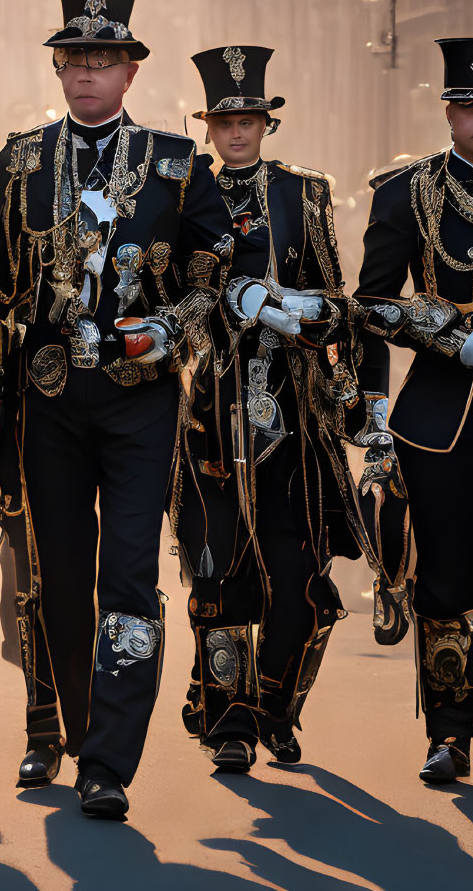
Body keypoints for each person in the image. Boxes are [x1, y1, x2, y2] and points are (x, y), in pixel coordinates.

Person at [0, 0, 233, 819]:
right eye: (72, 58)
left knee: (126, 572)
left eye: (102, 59)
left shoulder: (175, 163)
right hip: (46, 397)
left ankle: (108, 762)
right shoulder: (19, 163)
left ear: (131, 71)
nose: (86, 71)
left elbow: (215, 275)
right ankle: (67, 729)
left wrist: (173, 328)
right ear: (57, 69)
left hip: (138, 395)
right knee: (56, 574)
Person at [171, 46, 372, 774]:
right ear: (209, 126)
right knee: (217, 568)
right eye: (223, 120)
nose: (235, 131)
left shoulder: (303, 193)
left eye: (247, 118)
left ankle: (276, 708)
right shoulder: (186, 194)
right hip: (215, 402)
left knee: (300, 578)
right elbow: (179, 305)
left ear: (265, 122)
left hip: (294, 407)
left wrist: (309, 313)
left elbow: (338, 301)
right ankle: (226, 717)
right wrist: (230, 305)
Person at [353, 37, 473, 785]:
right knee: (445, 577)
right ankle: (448, 732)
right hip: (439, 413)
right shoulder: (404, 192)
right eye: (471, 105)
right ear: (448, 110)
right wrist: (450, 338)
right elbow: (372, 305)